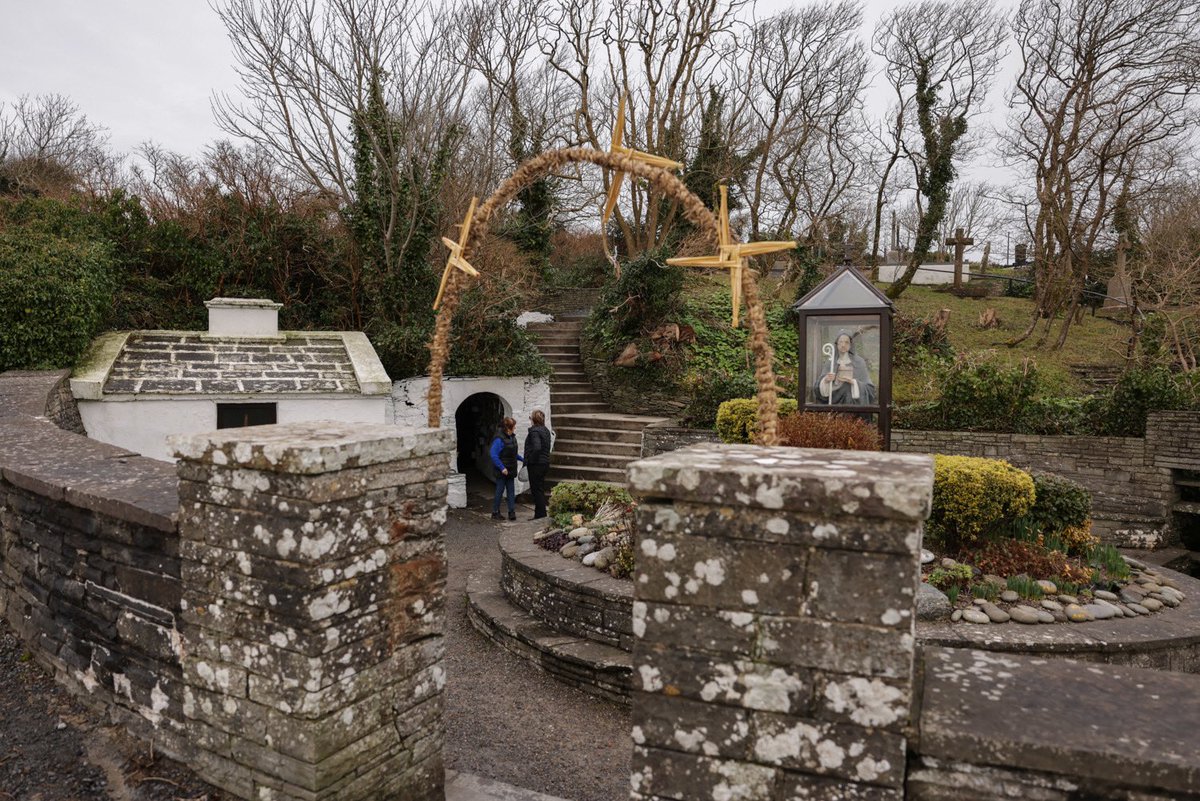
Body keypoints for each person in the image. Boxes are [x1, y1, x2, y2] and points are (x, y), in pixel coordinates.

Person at [814, 331, 877, 405]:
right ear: (837, 344)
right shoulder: (830, 362)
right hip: (834, 405)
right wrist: (826, 380)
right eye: (840, 342)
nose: (843, 345)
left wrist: (853, 382)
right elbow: (818, 387)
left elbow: (869, 388)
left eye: (846, 342)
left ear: (850, 345)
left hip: (853, 405)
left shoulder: (859, 362)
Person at [490, 416, 523, 520]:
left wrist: (522, 459)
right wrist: (502, 468)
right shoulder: (499, 439)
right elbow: (493, 454)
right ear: (508, 428)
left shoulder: (512, 437)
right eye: (514, 426)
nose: (515, 428)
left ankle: (511, 512)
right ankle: (495, 512)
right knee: (499, 491)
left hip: (511, 469)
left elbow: (513, 454)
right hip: (502, 471)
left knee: (511, 491)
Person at [523, 409, 553, 520]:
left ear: (534, 419)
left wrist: (530, 460)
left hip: (536, 464)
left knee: (536, 490)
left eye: (531, 418)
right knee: (539, 489)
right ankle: (540, 513)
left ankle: (540, 515)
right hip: (544, 463)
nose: (530, 420)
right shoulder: (545, 430)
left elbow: (537, 447)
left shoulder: (534, 431)